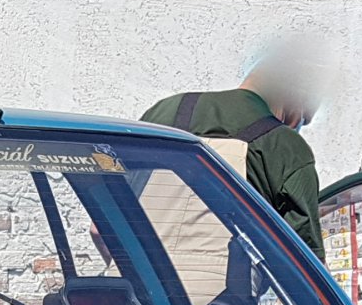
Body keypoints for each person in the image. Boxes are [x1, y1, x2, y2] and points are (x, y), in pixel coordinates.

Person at [141, 37, 332, 260]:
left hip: (131, 288)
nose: (298, 126)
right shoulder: (285, 146)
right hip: (221, 293)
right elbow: (305, 265)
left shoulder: (165, 111)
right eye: (302, 118)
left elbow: (100, 229)